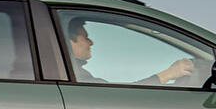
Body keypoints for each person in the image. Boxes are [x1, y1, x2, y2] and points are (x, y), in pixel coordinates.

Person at [67, 17, 195, 85]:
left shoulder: (73, 73)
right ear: (69, 41)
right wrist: (168, 74)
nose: (91, 42)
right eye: (86, 37)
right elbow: (115, 97)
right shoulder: (76, 75)